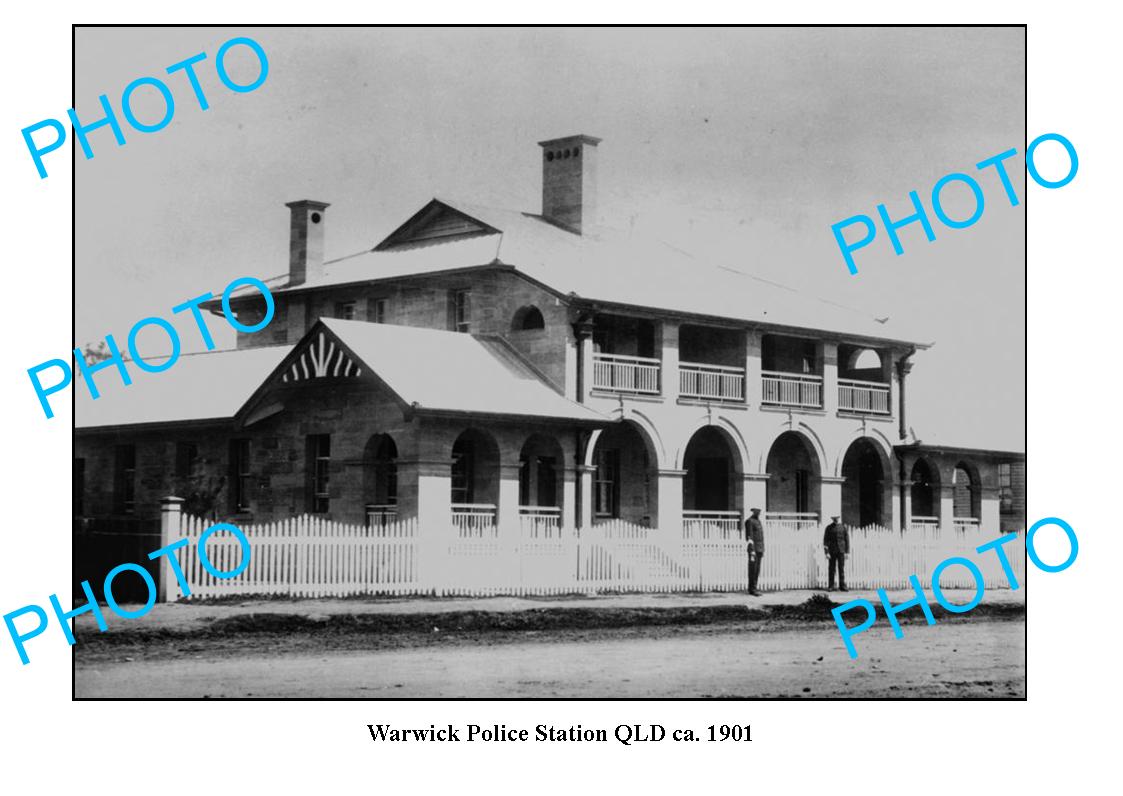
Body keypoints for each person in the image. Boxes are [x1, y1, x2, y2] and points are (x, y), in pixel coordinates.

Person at [823, 515, 850, 591]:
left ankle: (842, 586)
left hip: (841, 551)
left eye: (837, 518)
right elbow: (825, 541)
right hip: (832, 551)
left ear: (839, 518)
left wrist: (847, 552)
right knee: (832, 569)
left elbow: (847, 540)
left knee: (841, 568)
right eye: (834, 518)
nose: (836, 520)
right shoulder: (829, 528)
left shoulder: (843, 527)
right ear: (832, 519)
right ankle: (831, 586)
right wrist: (827, 552)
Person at [744, 507, 765, 596]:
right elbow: (749, 537)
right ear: (753, 511)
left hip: (759, 549)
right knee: (753, 569)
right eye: (757, 511)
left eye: (759, 511)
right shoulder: (749, 521)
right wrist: (752, 550)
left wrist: (762, 549)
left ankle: (754, 587)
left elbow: (760, 536)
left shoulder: (758, 521)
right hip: (754, 550)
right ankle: (752, 589)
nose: (758, 513)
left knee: (757, 570)